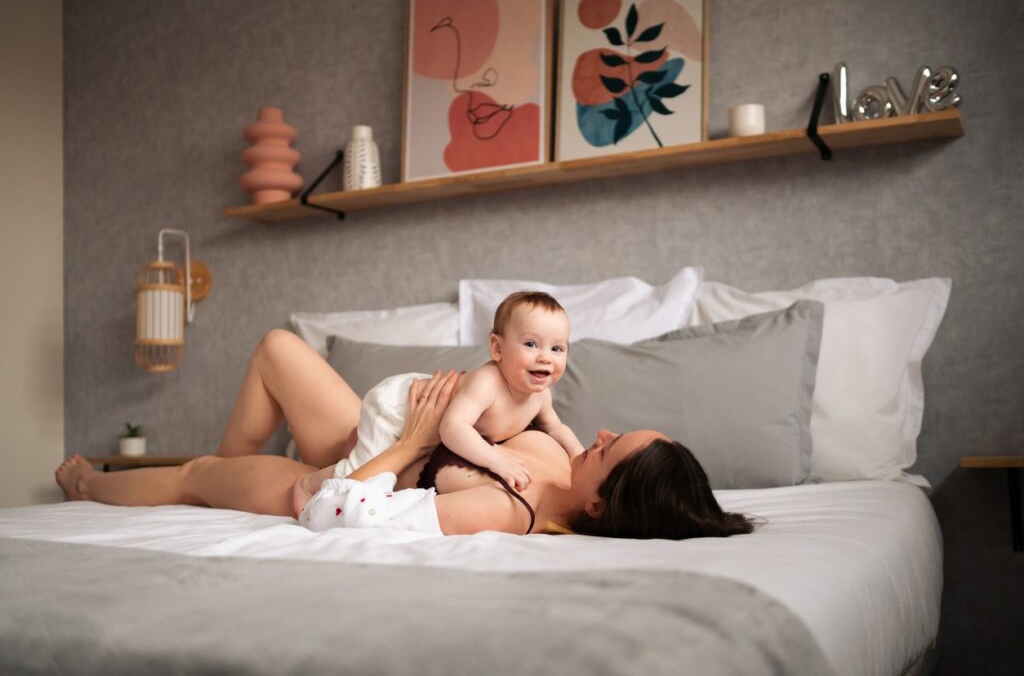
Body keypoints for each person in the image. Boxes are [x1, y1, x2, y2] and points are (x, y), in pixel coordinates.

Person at [55, 329, 753, 539]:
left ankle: (86, 483)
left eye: (611, 447)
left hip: (348, 476)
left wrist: (414, 444)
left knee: (193, 475)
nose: (598, 433)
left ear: (600, 504)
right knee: (274, 347)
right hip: (376, 435)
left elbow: (344, 516)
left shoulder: (509, 508)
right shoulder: (562, 452)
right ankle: (234, 481)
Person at [292, 291, 585, 527]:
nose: (545, 358)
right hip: (398, 406)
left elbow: (556, 428)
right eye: (531, 344)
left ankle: (361, 441)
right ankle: (310, 485)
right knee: (364, 476)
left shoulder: (540, 396)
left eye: (557, 349)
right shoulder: (487, 383)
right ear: (497, 349)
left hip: (416, 419)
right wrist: (496, 460)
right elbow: (452, 428)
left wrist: (578, 457)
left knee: (379, 459)